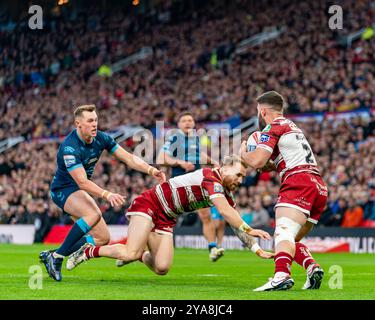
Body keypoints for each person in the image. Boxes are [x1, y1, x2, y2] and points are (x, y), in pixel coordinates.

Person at [66, 155, 274, 276]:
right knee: (128, 253)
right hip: (150, 204)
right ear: (224, 168)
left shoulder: (225, 192)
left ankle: (138, 253)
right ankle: (88, 252)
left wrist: (256, 249)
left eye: (243, 177)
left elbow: (233, 219)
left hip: (166, 218)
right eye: (238, 174)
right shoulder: (212, 177)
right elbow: (226, 212)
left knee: (162, 268)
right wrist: (249, 228)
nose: (240, 180)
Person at [39, 104, 166, 281]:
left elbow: (128, 158)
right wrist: (107, 194)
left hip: (79, 189)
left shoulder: (101, 138)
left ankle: (52, 255)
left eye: (96, 120)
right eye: (90, 121)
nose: (94, 124)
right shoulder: (69, 148)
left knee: (102, 238)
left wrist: (151, 170)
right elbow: (82, 182)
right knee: (93, 213)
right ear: (78, 123)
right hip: (64, 190)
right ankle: (57, 258)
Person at [240, 91, 328, 291]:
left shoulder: (273, 126)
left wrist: (243, 153)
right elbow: (275, 163)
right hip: (318, 186)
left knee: (283, 233)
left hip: (298, 181)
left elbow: (257, 161)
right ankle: (312, 267)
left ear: (262, 112)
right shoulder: (292, 127)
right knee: (291, 239)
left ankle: (281, 275)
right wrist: (268, 164)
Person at [157, 111, 223, 261]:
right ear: (179, 124)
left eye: (190, 120)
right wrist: (179, 162)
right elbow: (161, 158)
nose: (187, 123)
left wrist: (213, 161)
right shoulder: (174, 138)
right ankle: (146, 248)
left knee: (205, 215)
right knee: (165, 216)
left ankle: (212, 248)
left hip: (197, 182)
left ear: (193, 123)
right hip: (179, 183)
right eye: (184, 120)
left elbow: (200, 155)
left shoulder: (196, 138)